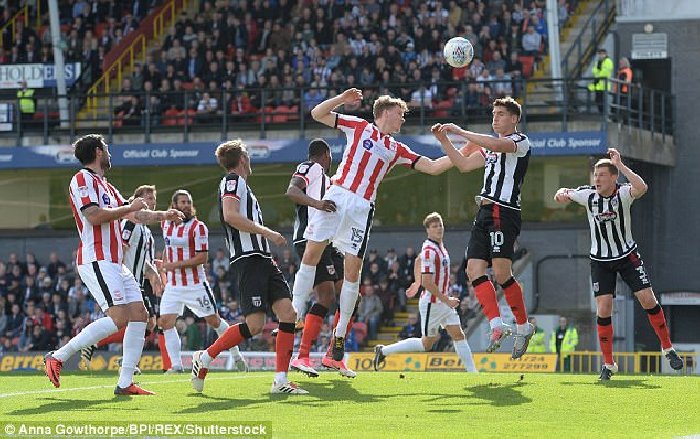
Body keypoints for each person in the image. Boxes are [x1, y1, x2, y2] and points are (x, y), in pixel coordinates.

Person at [290, 88, 454, 365]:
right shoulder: (359, 126)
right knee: (311, 253)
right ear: (385, 113)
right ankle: (295, 311)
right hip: (339, 195)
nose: (403, 120)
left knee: (352, 272)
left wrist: (463, 151)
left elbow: (434, 167)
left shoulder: (397, 149)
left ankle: (339, 336)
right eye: (400, 114)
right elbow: (317, 113)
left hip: (362, 208)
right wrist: (342, 99)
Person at [44, 134, 184, 395]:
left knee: (140, 316)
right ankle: (58, 356)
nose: (109, 152)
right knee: (119, 317)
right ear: (98, 152)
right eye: (106, 148)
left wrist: (164, 214)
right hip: (96, 258)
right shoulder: (82, 179)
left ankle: (125, 383)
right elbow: (94, 216)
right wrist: (127, 208)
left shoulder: (106, 185)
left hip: (115, 262)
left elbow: (134, 214)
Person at [554, 148, 684, 380]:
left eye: (602, 175)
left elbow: (642, 187)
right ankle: (608, 364)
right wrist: (561, 193)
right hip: (600, 260)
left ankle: (667, 348)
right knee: (603, 308)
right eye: (595, 175)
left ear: (613, 177)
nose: (597, 179)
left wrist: (621, 165)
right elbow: (564, 191)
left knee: (648, 299)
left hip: (626, 255)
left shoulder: (623, 193)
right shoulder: (588, 196)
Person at [191, 140, 306, 394]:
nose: (250, 159)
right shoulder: (232, 181)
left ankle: (280, 381)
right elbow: (231, 215)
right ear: (242, 158)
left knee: (288, 314)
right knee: (254, 325)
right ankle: (205, 357)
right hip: (248, 259)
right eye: (248, 155)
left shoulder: (243, 186)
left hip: (263, 259)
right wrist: (267, 232)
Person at [434, 97, 535, 359]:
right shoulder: (489, 148)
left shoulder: (520, 142)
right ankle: (496, 324)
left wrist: (458, 131)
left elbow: (496, 143)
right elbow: (464, 165)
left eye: (501, 114)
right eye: (494, 114)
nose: (495, 118)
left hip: (505, 211)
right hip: (485, 210)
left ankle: (524, 327)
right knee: (473, 269)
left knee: (502, 273)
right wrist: (445, 141)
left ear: (514, 119)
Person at [286, 138, 356, 378]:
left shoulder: (329, 180)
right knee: (326, 295)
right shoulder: (310, 167)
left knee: (351, 296)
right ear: (325, 155)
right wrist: (318, 203)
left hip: (330, 241)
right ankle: (302, 355)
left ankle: (333, 355)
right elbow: (292, 190)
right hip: (310, 237)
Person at [373, 212, 476, 373]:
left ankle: (473, 374)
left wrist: (416, 282)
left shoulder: (437, 246)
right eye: (434, 226)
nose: (439, 229)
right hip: (432, 304)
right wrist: (444, 298)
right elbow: (428, 282)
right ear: (427, 230)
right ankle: (384, 351)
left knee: (458, 335)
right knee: (426, 344)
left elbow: (417, 260)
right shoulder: (430, 249)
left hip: (443, 302)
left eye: (440, 225)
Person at [79, 185, 165, 373]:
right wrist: (121, 277)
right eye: (148, 198)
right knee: (137, 321)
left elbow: (142, 259)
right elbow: (122, 248)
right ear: (137, 200)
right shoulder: (131, 223)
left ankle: (124, 361)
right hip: (128, 279)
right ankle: (118, 358)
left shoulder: (145, 230)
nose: (152, 202)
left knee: (147, 323)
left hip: (138, 281)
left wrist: (153, 272)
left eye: (153, 198)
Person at [159, 189, 246, 373]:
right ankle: (176, 366)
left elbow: (202, 258)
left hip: (195, 284)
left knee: (214, 321)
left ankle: (236, 354)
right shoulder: (165, 223)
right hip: (173, 285)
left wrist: (174, 266)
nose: (185, 205)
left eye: (188, 202)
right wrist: (166, 266)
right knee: (165, 322)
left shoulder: (198, 227)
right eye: (182, 202)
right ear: (173, 205)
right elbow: (168, 246)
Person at [587, 48, 613, 114]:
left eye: (602, 54)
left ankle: (604, 114)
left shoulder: (608, 61)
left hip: (604, 85)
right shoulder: (598, 62)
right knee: (598, 100)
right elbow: (594, 71)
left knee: (602, 101)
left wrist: (598, 74)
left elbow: (605, 72)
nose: (600, 55)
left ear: (605, 54)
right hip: (598, 85)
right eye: (599, 54)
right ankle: (602, 113)